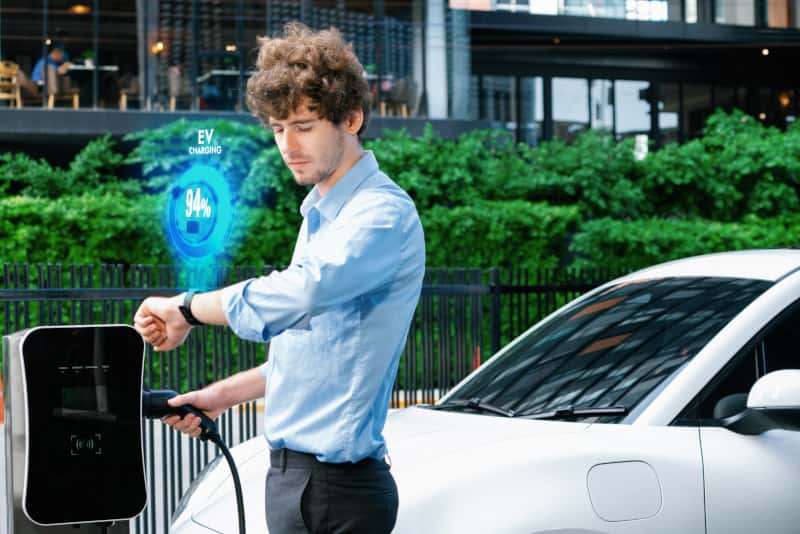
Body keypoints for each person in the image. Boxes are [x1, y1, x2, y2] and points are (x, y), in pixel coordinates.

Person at [133, 22, 425, 534]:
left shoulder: (380, 214)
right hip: (295, 481)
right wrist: (216, 397)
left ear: (351, 118)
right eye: (276, 128)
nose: (288, 144)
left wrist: (185, 308)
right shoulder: (321, 214)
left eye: (305, 125)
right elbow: (314, 356)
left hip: (341, 489)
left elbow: (301, 292)